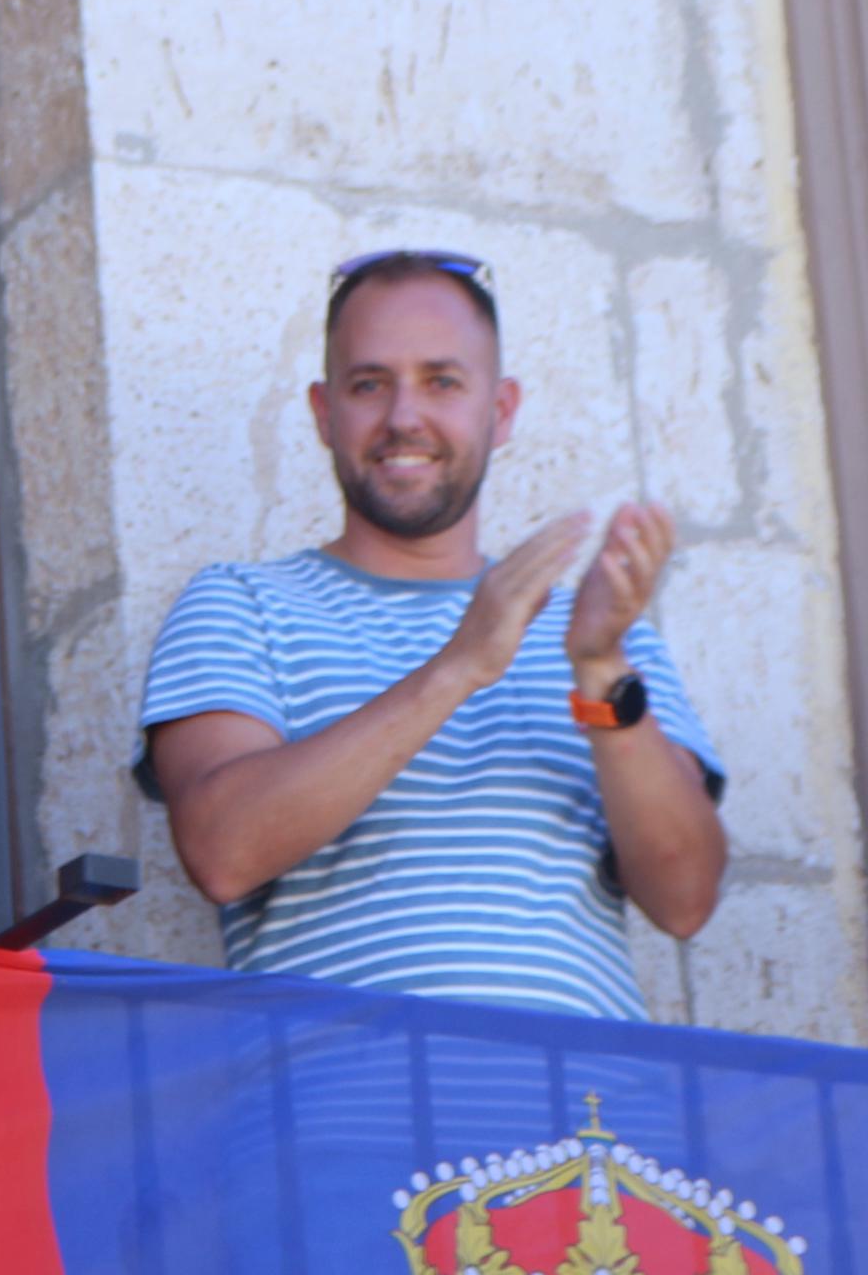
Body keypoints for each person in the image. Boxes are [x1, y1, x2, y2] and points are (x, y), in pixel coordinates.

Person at [138, 250, 725, 1015]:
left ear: (501, 410)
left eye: (441, 381)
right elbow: (222, 852)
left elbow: (684, 900)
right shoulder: (239, 602)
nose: (403, 417)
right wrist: (458, 665)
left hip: (583, 1118)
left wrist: (598, 670)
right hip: (349, 1110)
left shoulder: (605, 638)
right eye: (368, 384)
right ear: (323, 412)